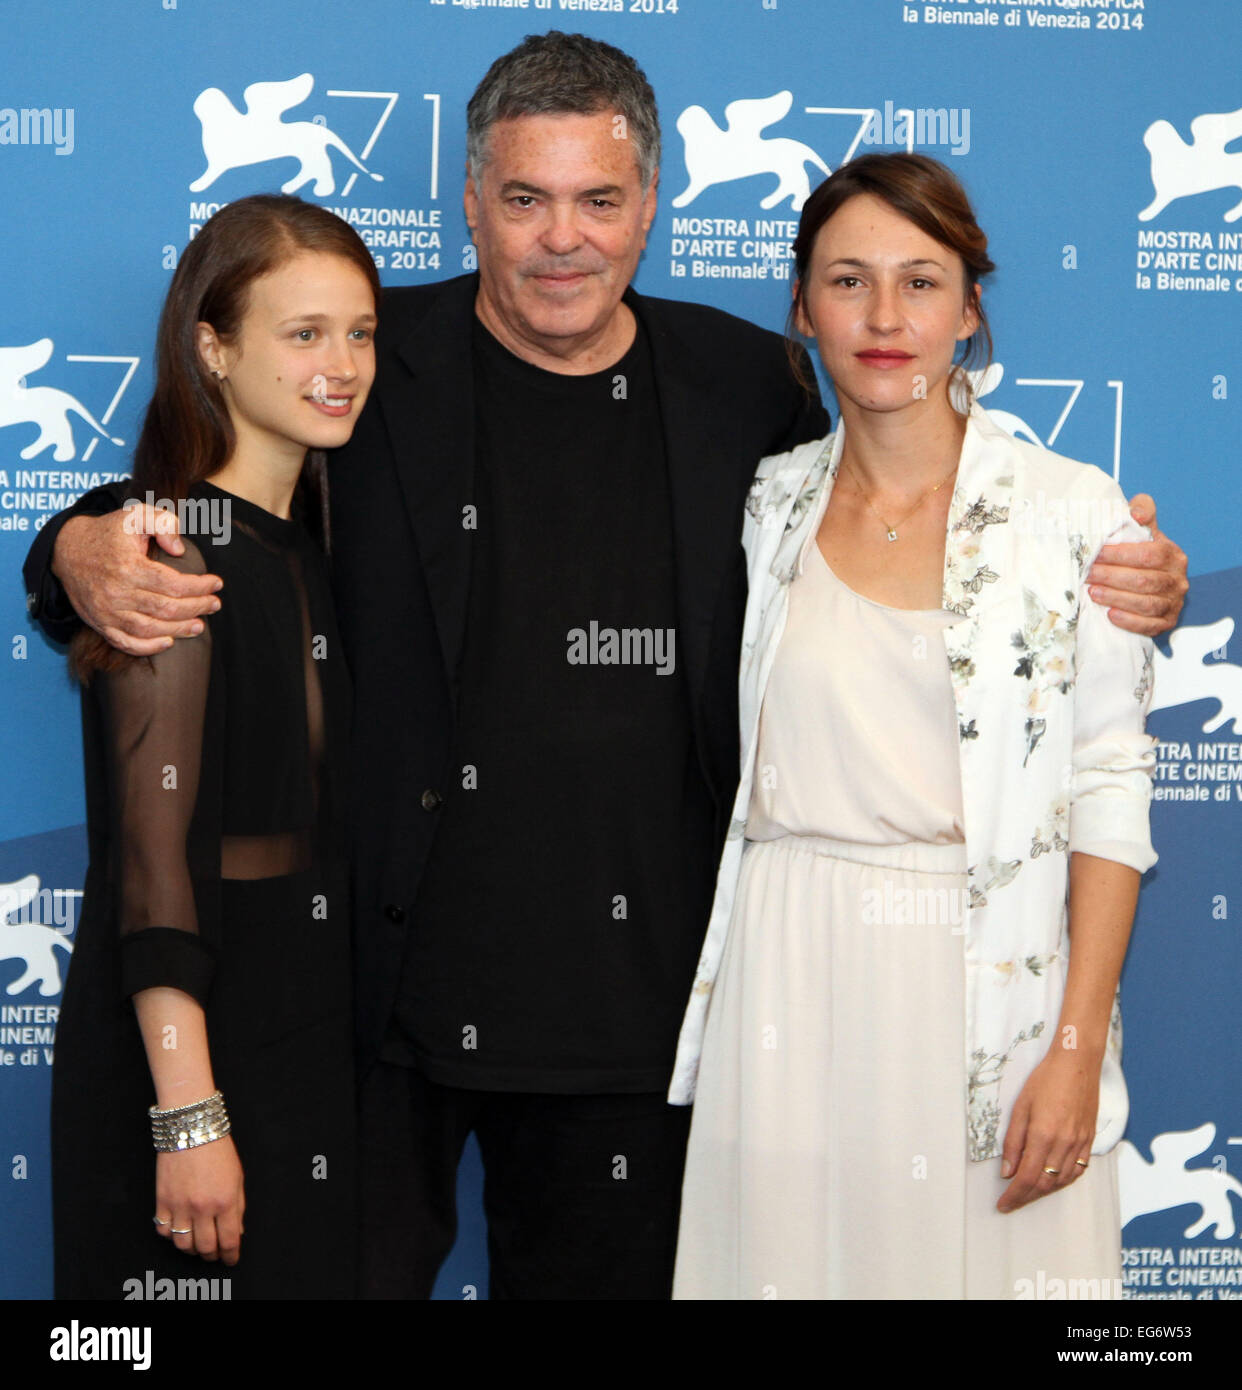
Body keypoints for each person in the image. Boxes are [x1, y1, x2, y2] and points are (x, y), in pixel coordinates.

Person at [24, 36, 1187, 1300]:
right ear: (471, 202)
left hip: (644, 1028)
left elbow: (913, 516)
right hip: (370, 1013)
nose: (560, 238)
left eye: (600, 199)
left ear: (654, 206)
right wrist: (72, 549)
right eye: (524, 199)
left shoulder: (746, 385)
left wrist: (1120, 578)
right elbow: (210, 499)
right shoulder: (365, 362)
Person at [668, 153, 1159, 1300]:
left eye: (921, 282)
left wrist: (1076, 1052)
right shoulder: (768, 502)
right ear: (800, 306)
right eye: (847, 280)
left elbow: (1110, 785)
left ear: (971, 309)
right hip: (786, 981)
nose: (885, 317)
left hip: (986, 985)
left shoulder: (1069, 511)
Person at [49, 195, 378, 1299]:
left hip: (307, 1055)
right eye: (303, 333)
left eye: (360, 332)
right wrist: (189, 1118)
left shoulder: (313, 551)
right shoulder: (166, 558)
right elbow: (155, 875)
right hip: (192, 1066)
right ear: (213, 347)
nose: (341, 364)